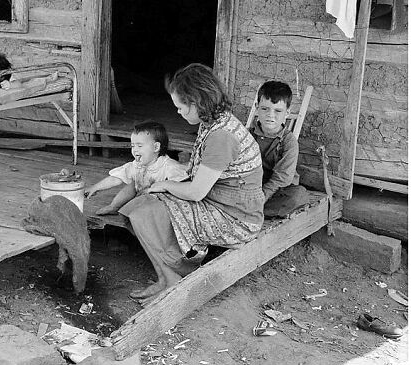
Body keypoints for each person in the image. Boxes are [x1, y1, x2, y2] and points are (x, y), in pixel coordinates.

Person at [119, 63, 264, 304]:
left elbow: (196, 192)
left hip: (237, 217)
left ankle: (174, 278)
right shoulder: (213, 123)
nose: (177, 112)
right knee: (135, 209)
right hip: (219, 202)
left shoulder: (221, 135)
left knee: (147, 211)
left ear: (198, 102)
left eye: (180, 106)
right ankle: (165, 277)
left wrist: (166, 186)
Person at [85, 121, 187, 215]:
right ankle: (114, 206)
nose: (135, 150)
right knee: (131, 185)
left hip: (159, 207)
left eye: (139, 146)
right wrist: (95, 187)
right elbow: (116, 178)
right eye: (133, 146)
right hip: (141, 198)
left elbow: (182, 184)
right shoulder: (136, 165)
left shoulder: (169, 167)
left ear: (156, 147)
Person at [250, 81, 309, 218]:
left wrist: (261, 198)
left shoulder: (289, 142)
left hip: (277, 189)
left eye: (278, 111)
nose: (271, 115)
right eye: (265, 109)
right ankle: (252, 209)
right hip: (252, 186)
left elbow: (281, 178)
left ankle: (252, 210)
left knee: (297, 196)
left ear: (287, 112)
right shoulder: (246, 135)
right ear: (257, 107)